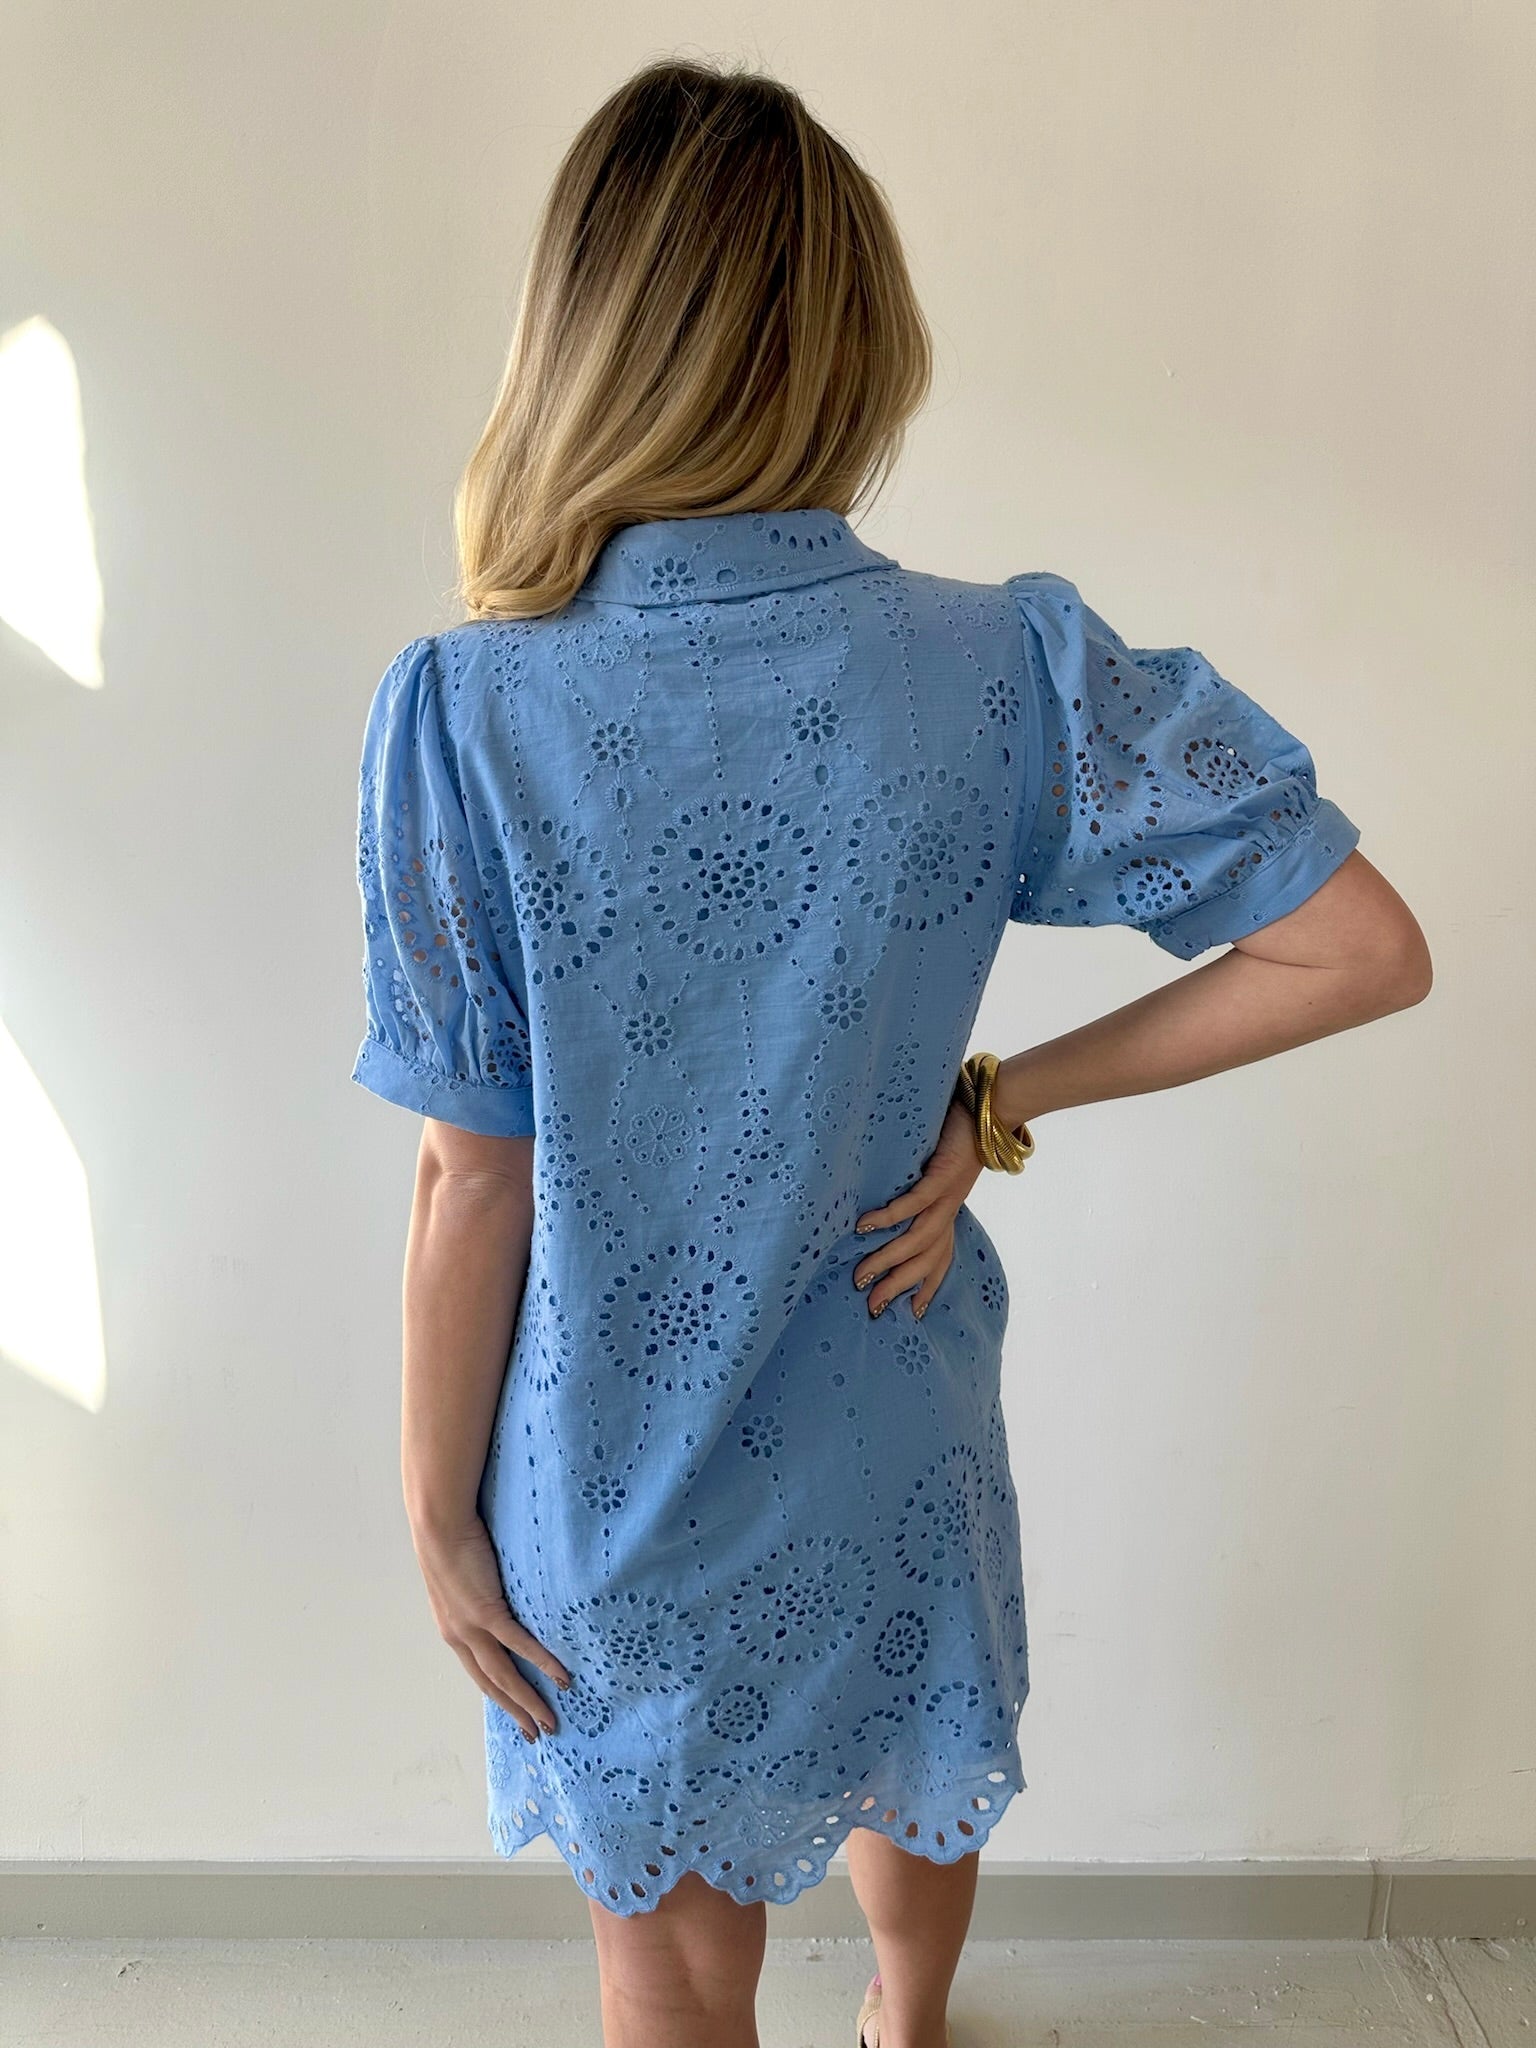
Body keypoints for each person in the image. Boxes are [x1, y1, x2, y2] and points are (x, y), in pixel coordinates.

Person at [349, 54, 1432, 2048]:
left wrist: (434, 1512)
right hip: (888, 1378)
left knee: (669, 1968)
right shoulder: (999, 665)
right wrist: (998, 1103)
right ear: (859, 340)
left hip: (616, 1469)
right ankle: (909, 2021)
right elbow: (1356, 945)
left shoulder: (470, 712)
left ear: (582, 341)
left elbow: (468, 1170)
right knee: (908, 1736)